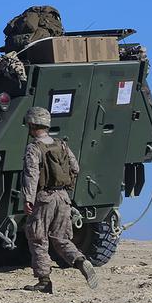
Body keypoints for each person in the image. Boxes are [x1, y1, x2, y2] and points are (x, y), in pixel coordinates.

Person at [22, 106, 98, 293]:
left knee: (38, 237)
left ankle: (44, 281)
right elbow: (75, 168)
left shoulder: (34, 148)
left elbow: (31, 175)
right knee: (61, 238)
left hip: (44, 198)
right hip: (63, 198)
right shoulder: (61, 144)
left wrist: (27, 199)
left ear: (31, 124)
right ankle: (80, 261)